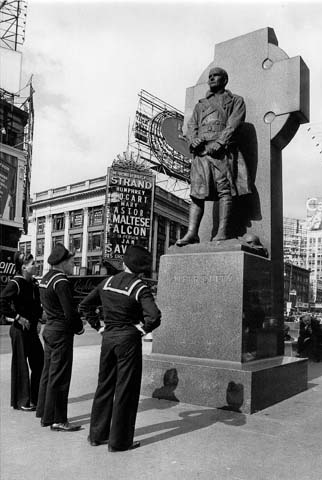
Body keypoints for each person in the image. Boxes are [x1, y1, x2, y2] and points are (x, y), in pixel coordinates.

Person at [79, 245, 161, 452]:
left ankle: (96, 434)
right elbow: (155, 316)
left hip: (108, 338)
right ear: (140, 268)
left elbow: (85, 306)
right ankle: (119, 441)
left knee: (104, 385)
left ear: (125, 263)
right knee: (126, 389)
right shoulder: (140, 287)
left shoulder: (106, 282)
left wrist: (98, 327)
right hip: (128, 340)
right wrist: (141, 330)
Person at [176, 66, 251, 246]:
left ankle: (222, 232)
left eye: (215, 76)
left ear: (224, 80)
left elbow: (233, 123)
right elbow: (192, 125)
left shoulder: (236, 101)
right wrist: (192, 140)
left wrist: (221, 142)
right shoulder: (201, 104)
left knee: (225, 190)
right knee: (196, 194)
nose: (211, 79)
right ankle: (192, 233)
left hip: (221, 152)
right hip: (201, 152)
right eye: (209, 76)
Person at [36, 243, 85, 432]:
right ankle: (57, 419)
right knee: (61, 376)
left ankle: (44, 411)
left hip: (49, 330)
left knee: (48, 373)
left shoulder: (45, 279)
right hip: (61, 332)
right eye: (72, 261)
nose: (73, 264)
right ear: (63, 262)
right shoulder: (61, 281)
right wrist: (79, 328)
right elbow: (69, 312)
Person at [0, 252, 44, 411]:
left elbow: (37, 304)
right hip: (19, 330)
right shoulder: (15, 283)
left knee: (39, 362)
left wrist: (38, 320)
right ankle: (22, 401)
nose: (36, 265)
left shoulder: (33, 283)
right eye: (33, 263)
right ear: (24, 267)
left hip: (31, 329)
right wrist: (17, 317)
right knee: (21, 366)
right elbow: (2, 302)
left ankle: (35, 398)